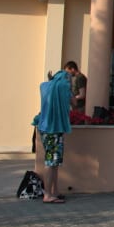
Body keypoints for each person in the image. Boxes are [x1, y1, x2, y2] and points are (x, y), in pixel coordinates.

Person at [32, 65, 74, 203]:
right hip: (54, 130)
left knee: (54, 162)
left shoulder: (45, 86)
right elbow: (73, 101)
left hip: (45, 129)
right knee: (51, 162)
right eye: (69, 79)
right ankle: (48, 194)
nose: (69, 82)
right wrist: (69, 87)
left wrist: (52, 80)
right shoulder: (63, 87)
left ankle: (54, 191)